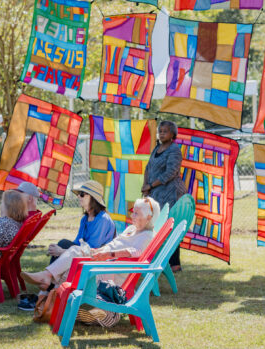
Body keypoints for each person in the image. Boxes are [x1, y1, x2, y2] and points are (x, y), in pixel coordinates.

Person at [20, 197, 160, 289]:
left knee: (72, 265)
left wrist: (108, 254)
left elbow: (134, 253)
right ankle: (48, 282)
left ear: (148, 218)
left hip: (111, 273)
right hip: (104, 261)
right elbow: (113, 244)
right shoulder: (132, 229)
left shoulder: (147, 236)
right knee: (75, 251)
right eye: (133, 212)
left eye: (137, 214)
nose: (132, 216)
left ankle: (47, 286)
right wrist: (99, 251)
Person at [141, 120, 187, 272]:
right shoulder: (157, 148)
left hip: (171, 192)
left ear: (173, 134)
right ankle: (159, 260)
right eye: (160, 131)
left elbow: (171, 172)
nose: (161, 133)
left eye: (165, 131)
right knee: (156, 226)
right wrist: (145, 185)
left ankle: (175, 264)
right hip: (156, 193)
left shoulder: (174, 150)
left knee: (170, 227)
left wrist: (151, 185)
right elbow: (148, 167)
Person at [46, 180, 116, 263]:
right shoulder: (85, 219)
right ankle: (50, 274)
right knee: (63, 243)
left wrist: (62, 251)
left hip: (101, 259)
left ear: (93, 198)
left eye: (82, 194)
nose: (78, 196)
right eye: (78, 194)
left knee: (63, 245)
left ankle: (49, 274)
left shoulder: (102, 219)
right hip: (86, 254)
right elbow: (77, 243)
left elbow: (93, 249)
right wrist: (57, 249)